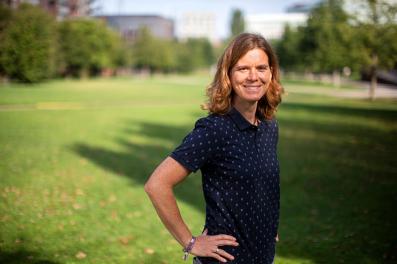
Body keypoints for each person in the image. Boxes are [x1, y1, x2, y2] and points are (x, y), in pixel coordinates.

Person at [145, 32, 283, 264]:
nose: (253, 76)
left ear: (271, 73)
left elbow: (260, 184)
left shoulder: (269, 126)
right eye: (242, 68)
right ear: (228, 74)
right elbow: (157, 184)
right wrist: (190, 242)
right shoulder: (215, 130)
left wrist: (265, 225)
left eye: (261, 67)